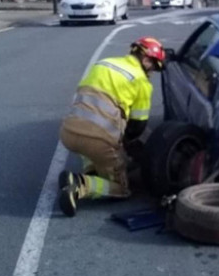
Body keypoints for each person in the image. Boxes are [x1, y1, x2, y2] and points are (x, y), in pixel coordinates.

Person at [57, 37, 165, 217]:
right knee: (121, 188)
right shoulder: (141, 82)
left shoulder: (104, 63)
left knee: (91, 143)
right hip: (98, 141)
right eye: (154, 67)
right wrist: (126, 146)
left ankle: (92, 170)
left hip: (68, 132)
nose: (152, 72)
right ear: (146, 60)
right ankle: (80, 184)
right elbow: (137, 126)